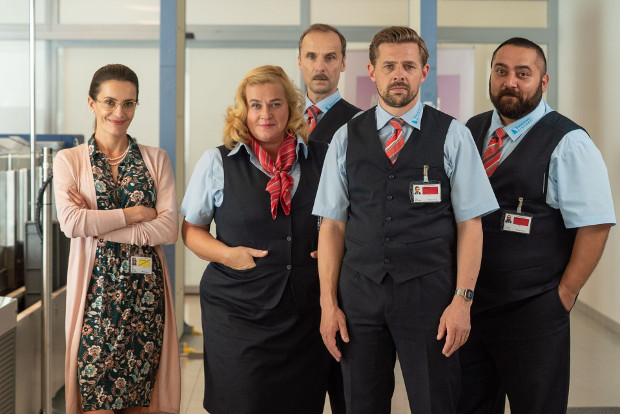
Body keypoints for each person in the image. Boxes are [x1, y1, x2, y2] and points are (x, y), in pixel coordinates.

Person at [313, 26, 498, 414]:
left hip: (430, 298)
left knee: (435, 403)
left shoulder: (453, 135)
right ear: (372, 71)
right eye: (390, 65)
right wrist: (328, 304)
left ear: (424, 72)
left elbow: (471, 225)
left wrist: (462, 301)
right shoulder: (347, 137)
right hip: (360, 297)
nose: (399, 74)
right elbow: (331, 225)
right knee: (361, 404)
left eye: (409, 66)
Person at [457, 37, 615, 414]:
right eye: (501, 71)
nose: (510, 81)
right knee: (468, 404)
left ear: (543, 83)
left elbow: (595, 226)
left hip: (534, 310)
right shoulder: (469, 131)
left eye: (523, 74)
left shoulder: (569, 142)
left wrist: (565, 294)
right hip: (472, 308)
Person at [180, 65, 331, 413]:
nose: (266, 114)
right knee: (242, 401)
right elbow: (192, 230)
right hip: (238, 309)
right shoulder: (217, 162)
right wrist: (229, 255)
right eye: (256, 105)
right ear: (243, 111)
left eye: (276, 104)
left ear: (291, 109)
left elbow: (342, 219)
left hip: (304, 310)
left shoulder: (320, 158)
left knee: (300, 403)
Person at [53, 64, 180, 414]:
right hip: (95, 302)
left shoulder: (156, 160)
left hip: (146, 302)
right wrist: (135, 214)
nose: (119, 113)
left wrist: (98, 224)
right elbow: (71, 223)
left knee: (140, 404)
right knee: (95, 404)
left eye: (128, 104)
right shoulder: (69, 160)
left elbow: (169, 229)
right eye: (109, 102)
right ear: (92, 103)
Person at [298, 23, 361, 144]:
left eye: (330, 58)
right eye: (311, 56)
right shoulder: (285, 118)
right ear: (300, 62)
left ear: (343, 63)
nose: (320, 67)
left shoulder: (359, 122)